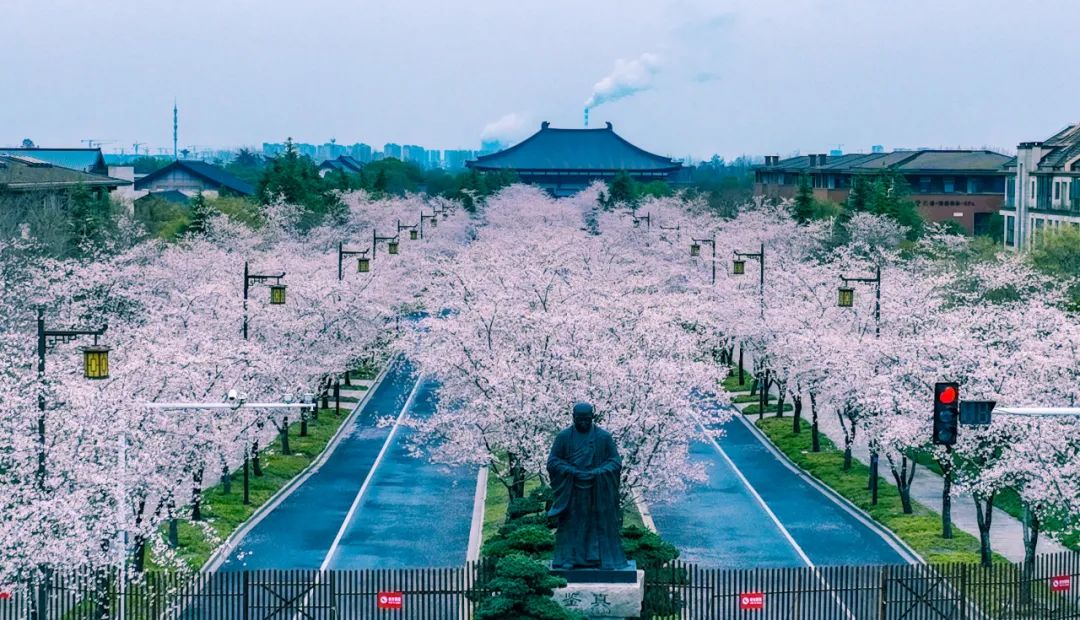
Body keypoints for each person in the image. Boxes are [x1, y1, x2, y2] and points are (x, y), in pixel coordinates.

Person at [546, 402, 628, 570]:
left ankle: (600, 559)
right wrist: (571, 471)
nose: (583, 422)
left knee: (598, 525)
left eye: (587, 419)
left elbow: (615, 461)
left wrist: (598, 472)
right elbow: (553, 461)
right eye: (580, 419)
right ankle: (569, 558)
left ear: (593, 418)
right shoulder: (564, 437)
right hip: (572, 489)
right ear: (573, 418)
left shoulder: (603, 437)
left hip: (597, 491)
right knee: (571, 524)